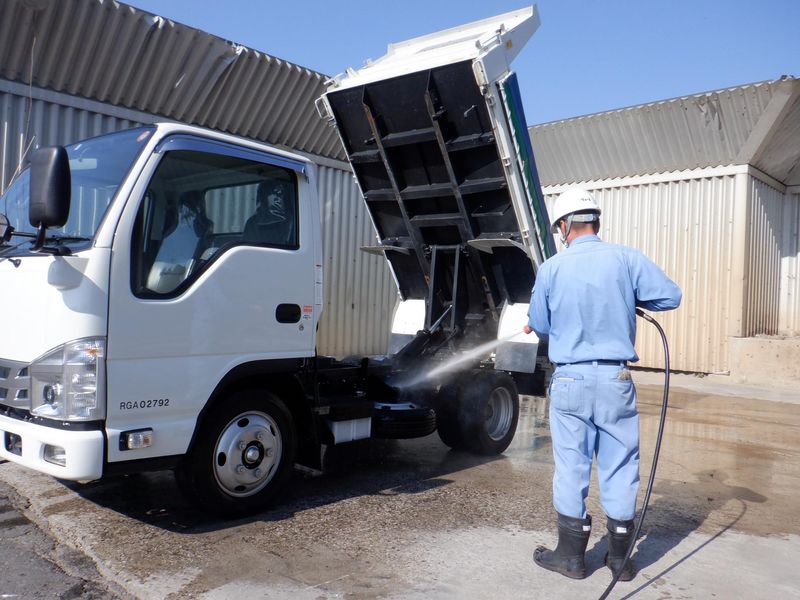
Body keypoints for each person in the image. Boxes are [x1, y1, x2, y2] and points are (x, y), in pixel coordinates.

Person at [523, 187, 681, 581]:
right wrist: (629, 299)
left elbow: (539, 324)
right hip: (615, 377)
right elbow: (671, 296)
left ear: (563, 227)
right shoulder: (626, 259)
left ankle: (571, 559)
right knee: (621, 463)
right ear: (595, 220)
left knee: (572, 466)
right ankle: (621, 561)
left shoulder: (551, 268)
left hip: (571, 378)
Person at [244, 179, 294, 246]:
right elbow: (248, 247)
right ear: (263, 196)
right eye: (274, 194)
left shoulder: (293, 220)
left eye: (280, 194)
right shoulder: (253, 222)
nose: (278, 199)